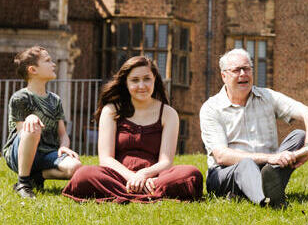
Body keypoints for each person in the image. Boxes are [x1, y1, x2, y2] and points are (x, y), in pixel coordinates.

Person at [63, 56, 204, 203]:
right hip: (118, 176)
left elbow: (166, 161)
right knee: (84, 174)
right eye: (135, 80)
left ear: (155, 79)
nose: (141, 85)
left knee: (191, 174)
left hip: (154, 178)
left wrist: (144, 175)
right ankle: (146, 194)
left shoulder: (168, 113)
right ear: (126, 83)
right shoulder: (111, 110)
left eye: (147, 79)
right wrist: (132, 177)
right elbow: (106, 159)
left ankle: (128, 194)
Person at [199, 48, 308, 208]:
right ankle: (267, 200)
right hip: (226, 173)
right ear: (224, 76)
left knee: (299, 136)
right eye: (237, 70)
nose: (243, 74)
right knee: (246, 164)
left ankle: (263, 187)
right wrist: (268, 158)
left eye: (247, 68)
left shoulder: (267, 97)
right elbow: (221, 156)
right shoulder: (211, 108)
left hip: (267, 168)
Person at [2, 46, 82, 198]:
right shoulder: (20, 98)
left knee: (76, 167)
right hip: (19, 153)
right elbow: (21, 131)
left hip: (47, 153)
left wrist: (64, 147)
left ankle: (36, 177)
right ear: (33, 70)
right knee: (32, 126)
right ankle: (23, 183)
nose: (53, 64)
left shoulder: (55, 100)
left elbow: (63, 133)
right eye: (47, 61)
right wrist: (31, 118)